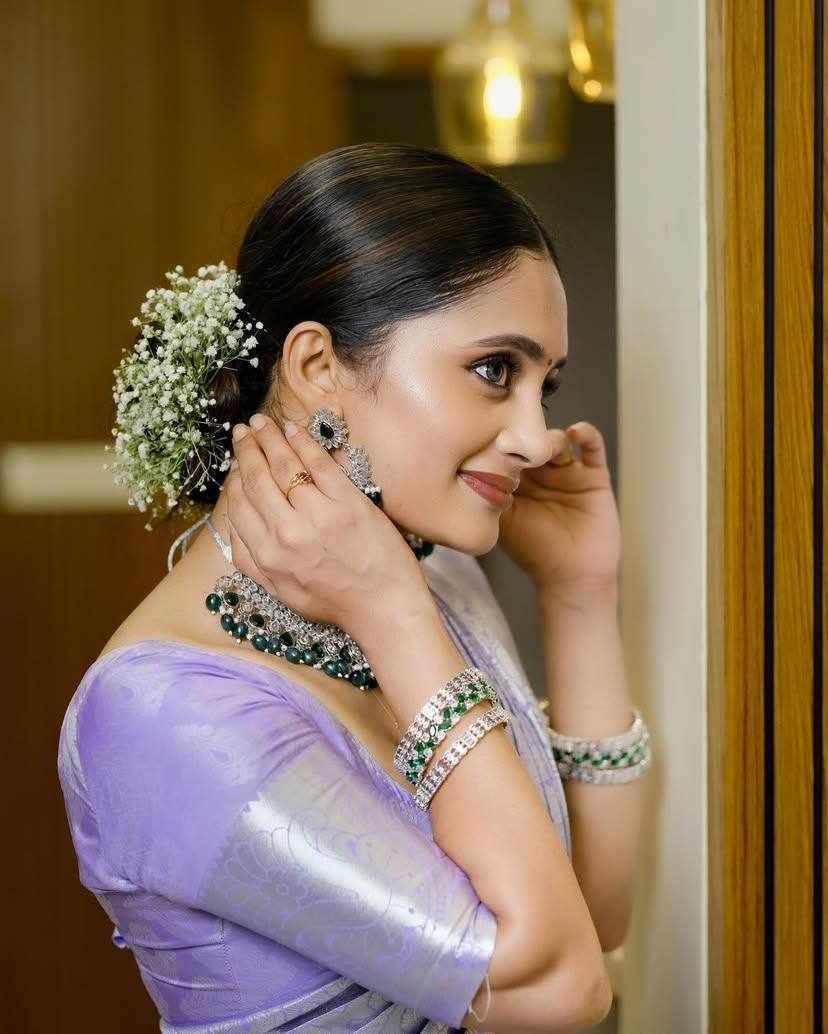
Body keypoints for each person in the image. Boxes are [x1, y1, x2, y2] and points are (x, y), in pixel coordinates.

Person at [57, 142, 650, 1033]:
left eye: (546, 386)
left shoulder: (440, 581)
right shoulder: (160, 714)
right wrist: (392, 615)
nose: (536, 438)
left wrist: (578, 595)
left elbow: (594, 920)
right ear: (316, 367)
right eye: (496, 370)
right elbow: (558, 992)